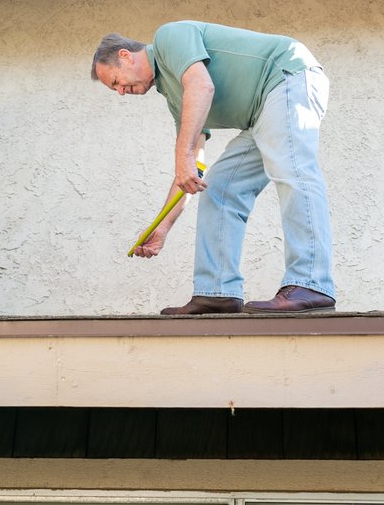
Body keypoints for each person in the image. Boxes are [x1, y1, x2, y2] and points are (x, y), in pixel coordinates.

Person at [91, 21, 336, 315]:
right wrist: (163, 227)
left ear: (125, 56)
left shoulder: (169, 37)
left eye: (115, 81)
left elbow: (202, 85)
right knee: (218, 188)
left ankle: (311, 282)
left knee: (291, 168)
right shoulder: (174, 94)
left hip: (287, 77)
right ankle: (217, 292)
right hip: (261, 112)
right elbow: (193, 165)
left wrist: (182, 155)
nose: (120, 92)